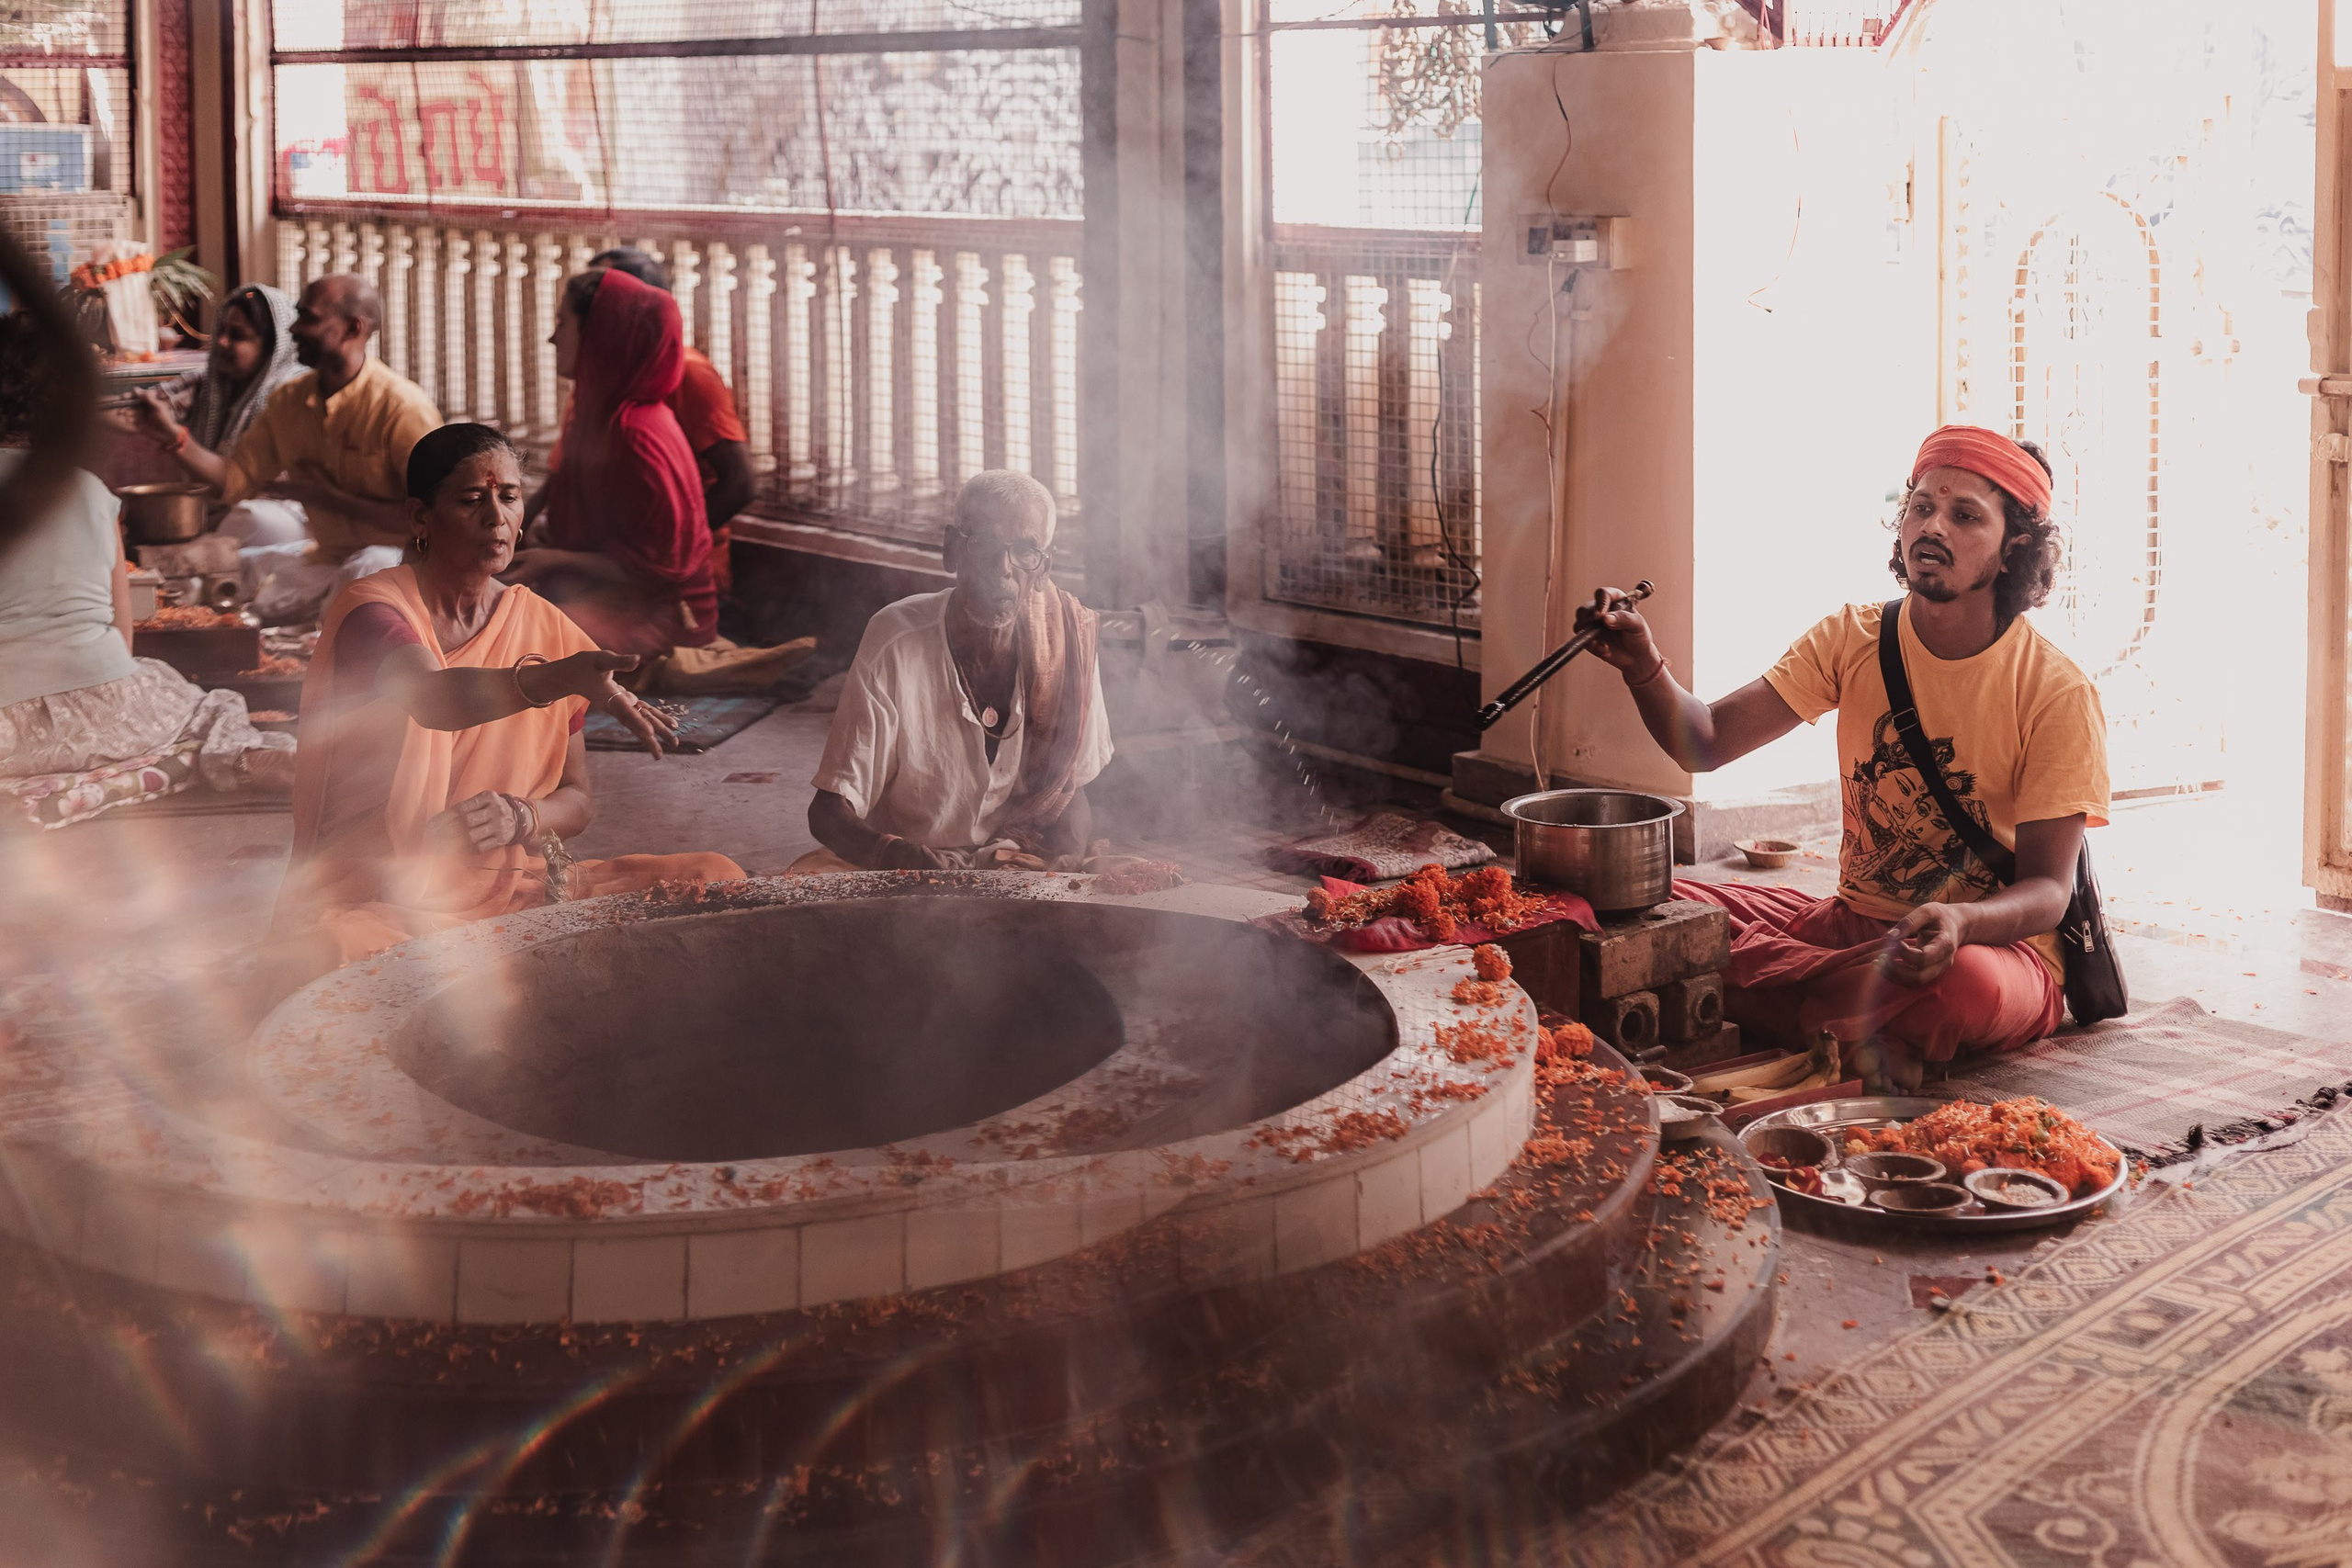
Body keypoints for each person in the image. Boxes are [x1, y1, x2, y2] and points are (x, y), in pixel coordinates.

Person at [1575, 426, 2109, 1092]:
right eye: (1919, 506)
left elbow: (2050, 893)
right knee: (1638, 904)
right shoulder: (1854, 638)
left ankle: (1763, 1002)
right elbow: (1704, 741)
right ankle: (1853, 1030)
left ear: (2015, 551)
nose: (1931, 526)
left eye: (1965, 514)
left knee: (1959, 987)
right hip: (1851, 927)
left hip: (1989, 950)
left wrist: (1961, 921)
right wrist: (1642, 665)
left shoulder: (2056, 690)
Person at [267, 423, 742, 983]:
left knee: (718, 877)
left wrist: (521, 816)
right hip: (385, 897)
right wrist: (552, 678)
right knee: (334, 952)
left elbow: (578, 799)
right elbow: (434, 700)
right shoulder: (374, 612)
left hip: (516, 893)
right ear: (421, 518)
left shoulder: (543, 624)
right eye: (472, 501)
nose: (496, 517)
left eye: (509, 497)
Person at [0, 311, 293, 822]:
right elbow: (123, 634)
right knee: (207, 712)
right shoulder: (91, 490)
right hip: (108, 709)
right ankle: (199, 763)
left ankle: (62, 789)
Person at [804, 469, 1110, 871]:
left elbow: (1071, 793)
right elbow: (828, 814)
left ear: (1043, 569)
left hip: (1013, 859)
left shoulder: (1067, 640)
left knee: (1128, 893)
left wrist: (1066, 858)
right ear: (952, 550)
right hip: (906, 863)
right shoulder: (895, 639)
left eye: (1025, 551)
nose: (1002, 567)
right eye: (983, 543)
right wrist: (894, 855)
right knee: (807, 891)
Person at [138, 274, 440, 622]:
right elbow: (233, 479)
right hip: (328, 557)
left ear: (353, 329)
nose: (294, 330)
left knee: (368, 568)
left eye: (308, 318)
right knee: (234, 571)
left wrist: (330, 498)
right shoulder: (289, 401)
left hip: (399, 561)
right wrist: (172, 435)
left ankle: (336, 641)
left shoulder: (402, 407)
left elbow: (436, 519)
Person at [506, 269, 718, 656]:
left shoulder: (635, 432)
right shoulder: (597, 412)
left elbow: (661, 569)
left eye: (562, 323)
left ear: (599, 336)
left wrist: (553, 558)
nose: (552, 338)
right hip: (610, 592)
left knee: (511, 631)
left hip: (661, 617)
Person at [523, 247, 754, 598]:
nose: (553, 338)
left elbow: (738, 483)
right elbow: (566, 470)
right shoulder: (600, 388)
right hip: (599, 569)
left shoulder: (674, 388)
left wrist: (668, 546)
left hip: (655, 590)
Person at [119, 282, 303, 493]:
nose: (222, 341)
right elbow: (139, 408)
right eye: (222, 330)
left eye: (237, 335)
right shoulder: (211, 382)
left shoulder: (290, 396)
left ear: (273, 347)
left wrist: (175, 436)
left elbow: (247, 484)